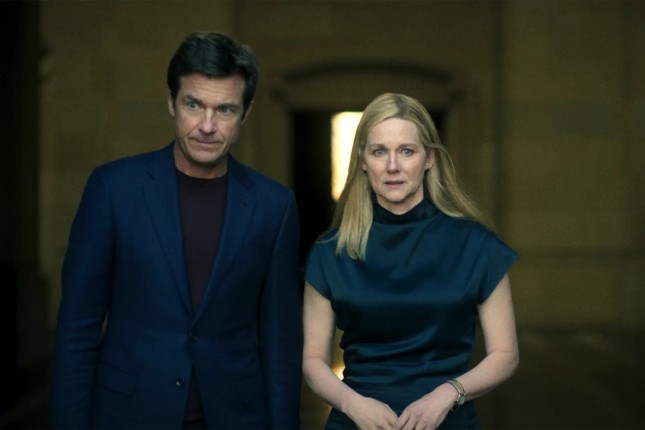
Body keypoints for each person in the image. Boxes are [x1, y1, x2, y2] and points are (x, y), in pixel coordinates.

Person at [48, 32, 302, 429]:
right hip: (129, 416)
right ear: (171, 102)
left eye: (225, 110)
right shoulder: (113, 190)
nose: (207, 126)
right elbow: (77, 330)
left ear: (246, 113)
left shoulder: (274, 206)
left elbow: (281, 343)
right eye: (193, 104)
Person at [302, 93, 519, 429]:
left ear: (429, 158)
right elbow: (313, 360)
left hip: (448, 420)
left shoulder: (476, 245)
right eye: (379, 151)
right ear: (362, 160)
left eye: (407, 151)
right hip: (357, 420)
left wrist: (448, 394)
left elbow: (505, 354)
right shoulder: (330, 251)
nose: (393, 166)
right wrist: (353, 404)